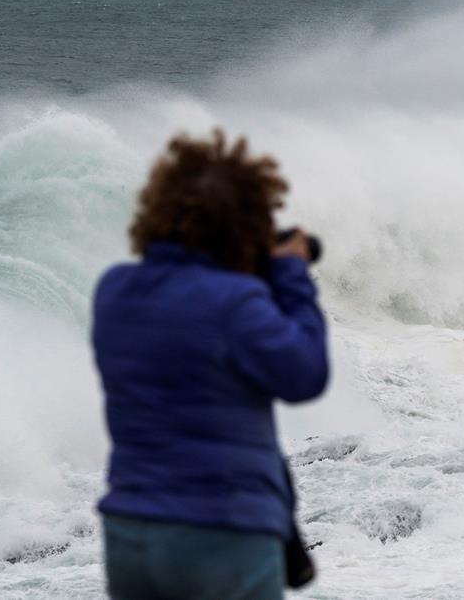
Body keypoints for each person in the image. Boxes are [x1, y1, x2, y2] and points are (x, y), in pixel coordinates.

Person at [91, 130, 329, 600]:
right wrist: (291, 275)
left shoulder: (115, 290)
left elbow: (186, 322)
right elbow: (304, 374)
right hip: (223, 530)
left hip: (131, 531)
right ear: (247, 224)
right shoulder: (236, 303)